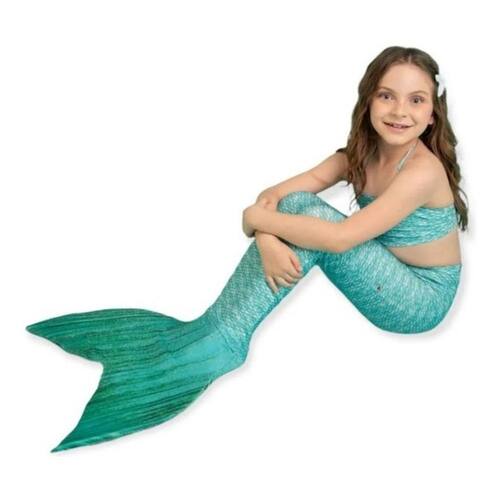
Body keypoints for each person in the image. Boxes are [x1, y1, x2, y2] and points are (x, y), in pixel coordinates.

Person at [26, 46, 468, 453]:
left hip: (419, 300)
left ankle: (223, 339)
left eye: (416, 100)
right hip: (386, 271)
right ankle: (221, 334)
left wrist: (255, 221)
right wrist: (267, 238)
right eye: (387, 96)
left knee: (307, 214)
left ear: (433, 114)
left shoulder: (422, 172)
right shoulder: (357, 155)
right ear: (368, 100)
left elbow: (338, 238)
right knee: (298, 206)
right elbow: (273, 197)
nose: (400, 111)